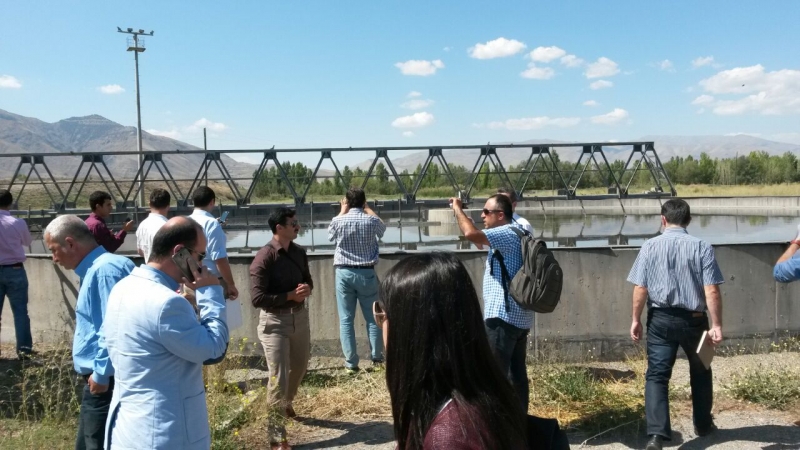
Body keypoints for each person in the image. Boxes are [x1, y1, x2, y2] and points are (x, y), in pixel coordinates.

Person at [377, 252, 529, 449]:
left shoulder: (450, 438)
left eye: (382, 314)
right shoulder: (479, 395)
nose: (381, 323)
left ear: (411, 329)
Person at [103, 217, 228, 449]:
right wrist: (210, 291)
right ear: (180, 252)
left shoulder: (122, 288)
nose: (203, 265)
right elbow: (214, 348)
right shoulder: (167, 303)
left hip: (127, 430)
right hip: (165, 433)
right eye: (200, 256)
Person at [627, 198, 724, 450]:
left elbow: (640, 288)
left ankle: (657, 436)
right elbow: (711, 290)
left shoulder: (649, 247)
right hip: (695, 321)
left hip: (660, 320)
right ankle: (703, 425)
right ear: (689, 220)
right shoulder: (702, 247)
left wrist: (635, 320)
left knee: (657, 376)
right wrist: (717, 325)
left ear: (663, 219)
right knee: (702, 370)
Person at [43, 214, 135, 450]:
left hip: (106, 381)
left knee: (96, 443)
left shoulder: (104, 271)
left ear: (71, 243)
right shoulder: (104, 267)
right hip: (104, 379)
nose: (54, 258)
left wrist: (101, 375)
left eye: (54, 250)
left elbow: (111, 327)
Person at [450, 194, 532, 411]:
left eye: (486, 212)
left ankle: (495, 428)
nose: (482, 215)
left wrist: (458, 209)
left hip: (502, 318)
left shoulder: (505, 233)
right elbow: (478, 238)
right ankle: (518, 424)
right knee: (517, 377)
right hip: (519, 318)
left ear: (501, 215)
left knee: (492, 377)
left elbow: (470, 233)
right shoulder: (519, 230)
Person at [250, 207, 312, 450]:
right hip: (274, 323)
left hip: (299, 318)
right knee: (278, 378)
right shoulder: (264, 257)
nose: (297, 227)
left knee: (300, 366)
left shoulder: (299, 252)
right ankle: (277, 438)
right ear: (279, 228)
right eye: (293, 223)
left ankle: (285, 403)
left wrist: (307, 289)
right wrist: (289, 296)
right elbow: (257, 299)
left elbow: (308, 280)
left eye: (297, 223)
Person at [327, 187, 386, 372]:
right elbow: (382, 228)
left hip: (344, 273)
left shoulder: (338, 220)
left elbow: (330, 236)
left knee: (346, 319)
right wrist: (367, 208)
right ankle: (377, 359)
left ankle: (351, 364)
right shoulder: (371, 220)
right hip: (366, 273)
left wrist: (341, 211)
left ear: (346, 202)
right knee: (373, 318)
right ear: (363, 201)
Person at [0, 189, 34, 359]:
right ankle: (24, 350)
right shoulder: (17, 222)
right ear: (10, 203)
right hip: (15, 269)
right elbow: (27, 242)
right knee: (20, 312)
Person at [189, 187, 239, 300]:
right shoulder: (212, 224)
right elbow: (220, 259)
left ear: (193, 202)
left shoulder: (185, 221)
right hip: (211, 282)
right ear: (212, 202)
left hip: (190, 280)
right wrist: (231, 284)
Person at [136, 188, 170, 262]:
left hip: (149, 269)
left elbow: (140, 251)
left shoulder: (142, 225)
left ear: (150, 205)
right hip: (166, 271)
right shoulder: (168, 227)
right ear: (168, 207)